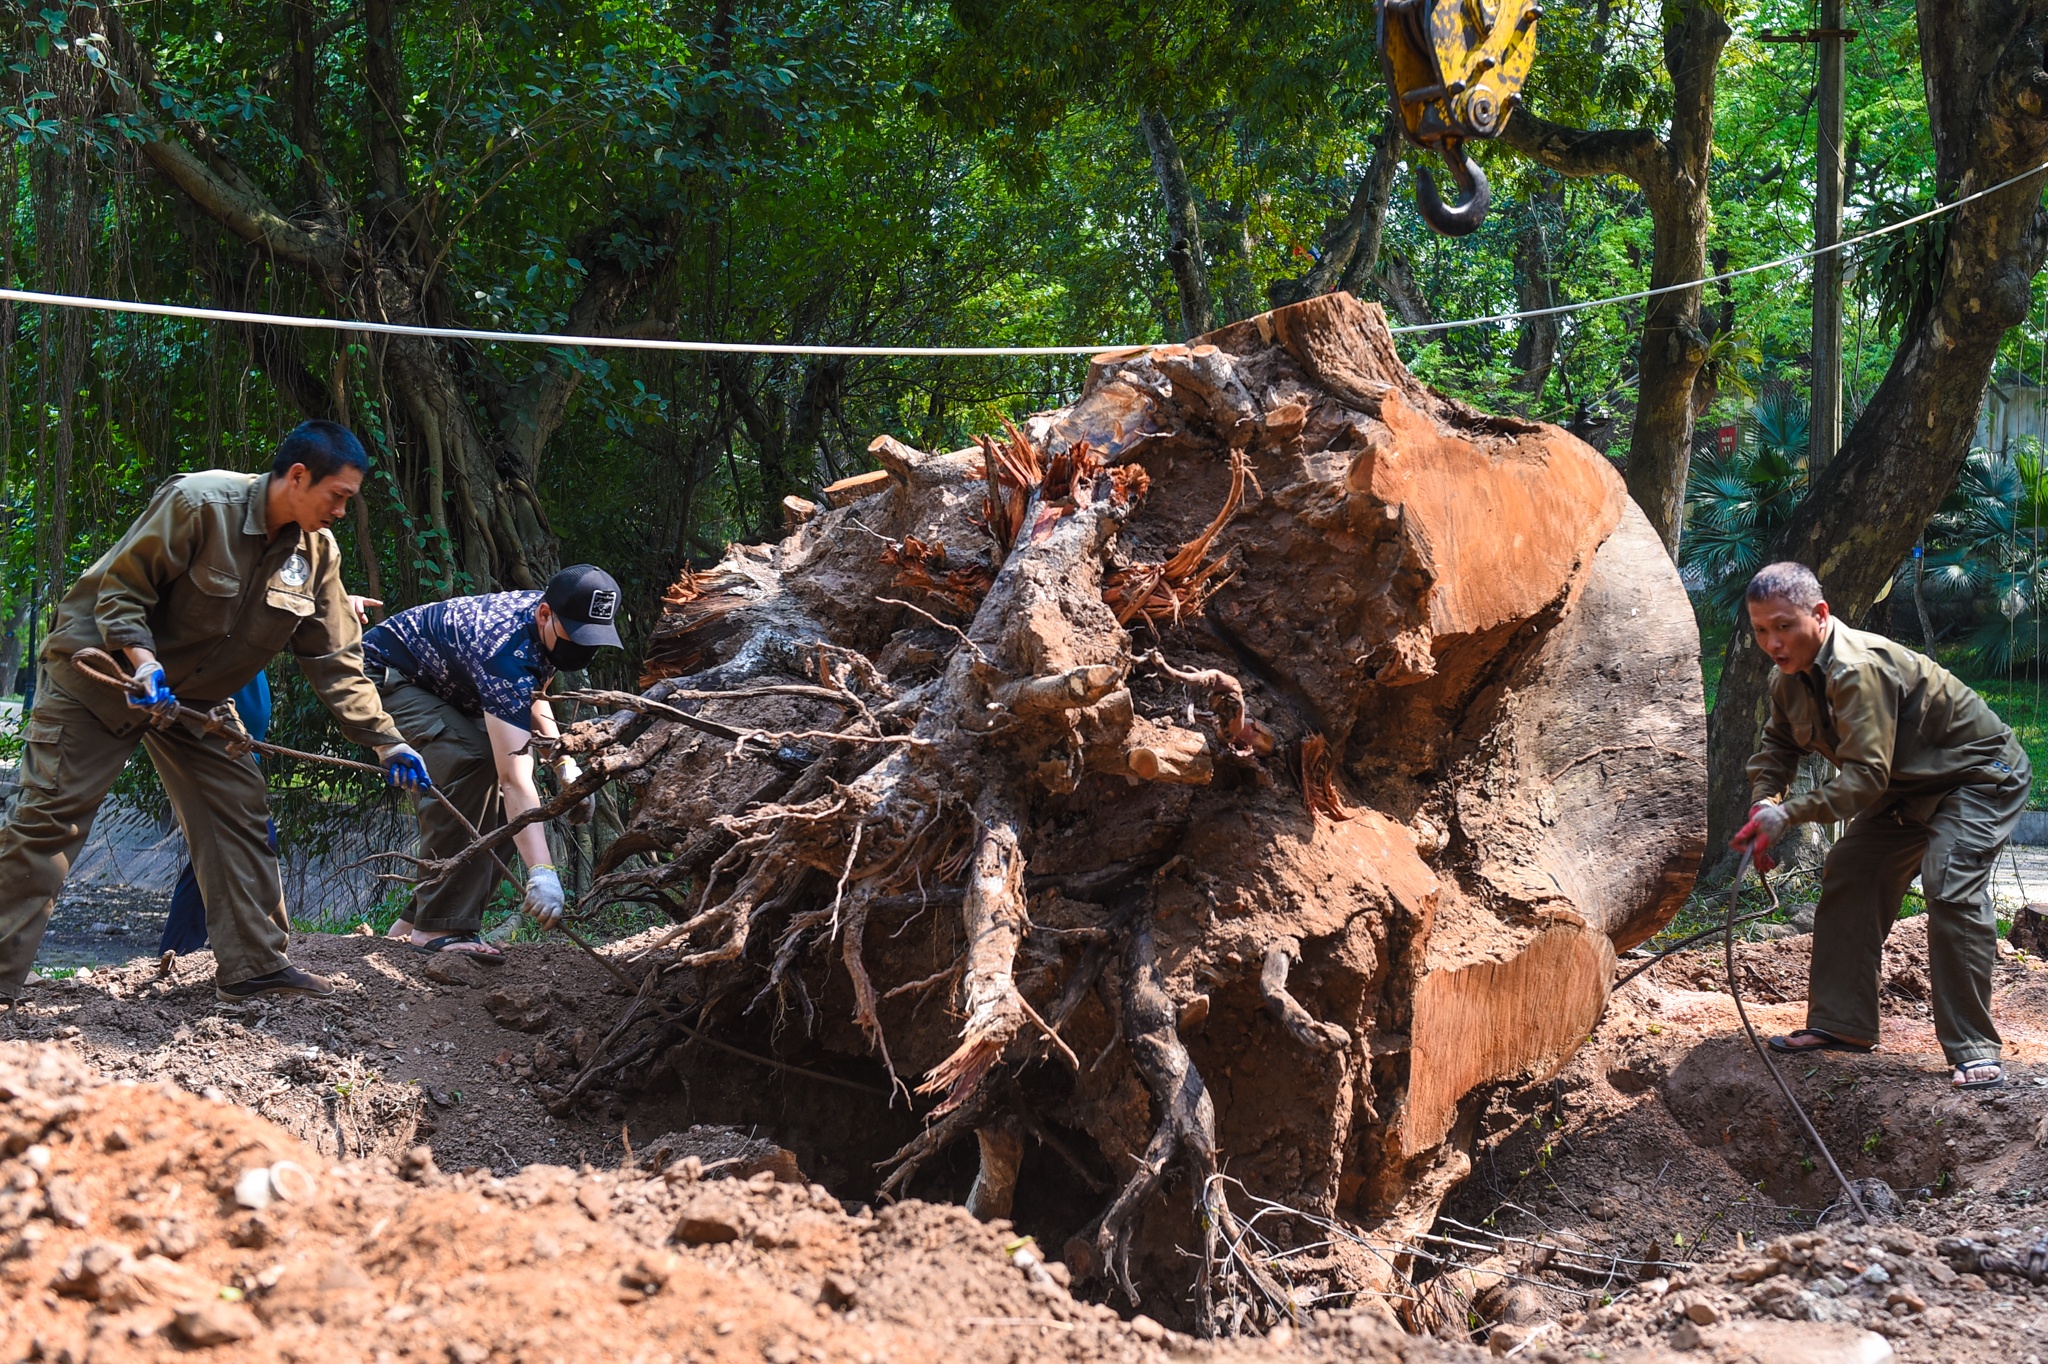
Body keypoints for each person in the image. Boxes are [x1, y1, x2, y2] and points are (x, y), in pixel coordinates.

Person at [0, 421, 429, 1005]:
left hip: (195, 703)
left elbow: (334, 660)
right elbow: (122, 593)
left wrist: (387, 741)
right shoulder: (200, 502)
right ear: (298, 476)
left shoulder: (316, 554)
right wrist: (144, 662)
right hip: (99, 677)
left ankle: (255, 967)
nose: (340, 512)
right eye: (338, 497)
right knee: (50, 822)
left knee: (241, 815)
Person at [1732, 561, 2031, 1091]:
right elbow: (1777, 747)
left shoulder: (1857, 669)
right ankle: (1841, 1025)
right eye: (1760, 630)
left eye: (1784, 626)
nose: (1773, 643)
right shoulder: (1789, 678)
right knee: (1852, 869)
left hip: (1976, 777)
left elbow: (1865, 780)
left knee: (1951, 886)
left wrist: (1790, 814)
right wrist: (1764, 803)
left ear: (1819, 615)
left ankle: (1973, 1049)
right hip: (1904, 788)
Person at [361, 565, 621, 961]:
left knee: (504, 804)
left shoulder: (543, 627)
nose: (582, 648)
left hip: (442, 688)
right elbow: (514, 777)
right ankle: (441, 928)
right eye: (576, 636)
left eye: (593, 639)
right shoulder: (503, 647)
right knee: (471, 761)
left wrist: (564, 763)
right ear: (545, 614)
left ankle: (416, 923)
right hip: (380, 677)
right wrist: (544, 874)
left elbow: (532, 695)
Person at [157, 594, 381, 956]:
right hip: (212, 742)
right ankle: (224, 951)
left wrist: (339, 604)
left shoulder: (260, 619)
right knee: (251, 838)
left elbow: (291, 613)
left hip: (238, 750)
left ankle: (185, 950)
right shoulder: (223, 602)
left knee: (223, 846)